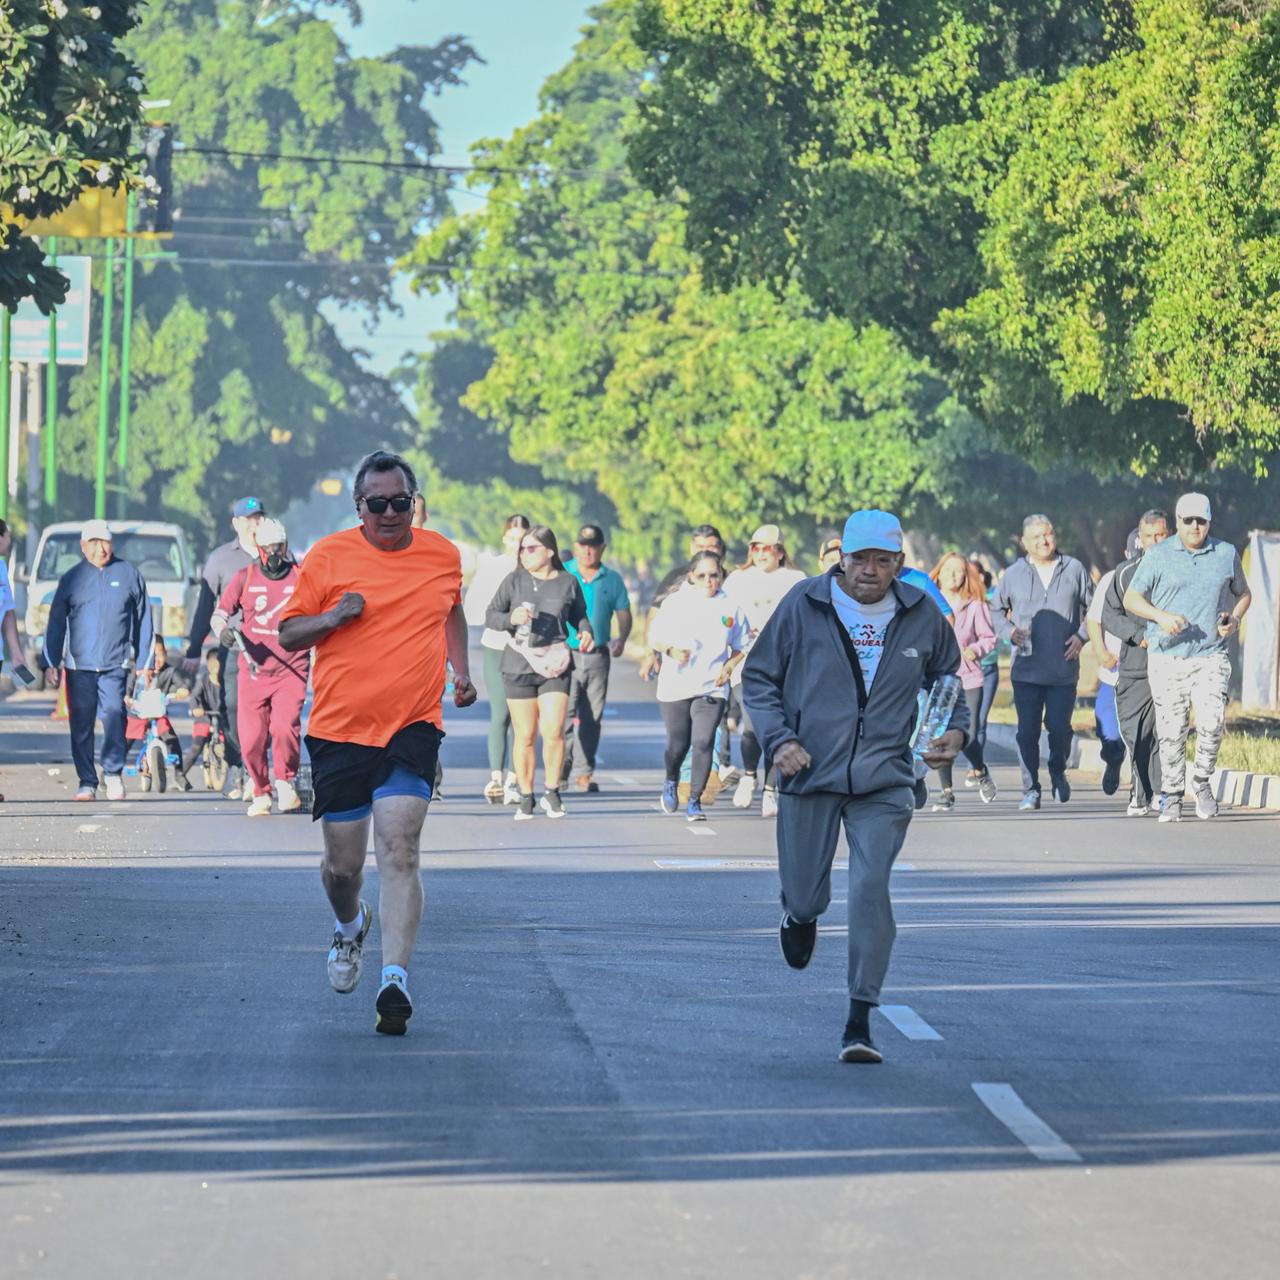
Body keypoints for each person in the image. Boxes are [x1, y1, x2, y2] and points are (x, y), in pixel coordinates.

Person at [743, 509, 968, 1064]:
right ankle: (800, 915)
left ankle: (858, 1018)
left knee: (870, 889)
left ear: (899, 565)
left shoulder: (921, 615)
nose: (869, 571)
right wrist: (779, 741)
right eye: (859, 559)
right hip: (809, 770)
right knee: (804, 892)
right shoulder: (804, 603)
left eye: (882, 561)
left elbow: (948, 679)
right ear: (841, 559)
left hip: (885, 777)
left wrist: (955, 731)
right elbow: (759, 677)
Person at [279, 449, 477, 1036]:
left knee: (400, 846)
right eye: (378, 504)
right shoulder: (329, 555)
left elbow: (452, 611)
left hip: (412, 725)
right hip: (339, 731)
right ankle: (348, 928)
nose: (390, 513)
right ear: (358, 506)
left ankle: (395, 979)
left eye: (401, 502)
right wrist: (335, 616)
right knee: (343, 869)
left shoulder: (441, 554)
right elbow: (289, 632)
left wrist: (459, 671)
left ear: (413, 502)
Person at [1122, 493, 1251, 823]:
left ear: (1209, 522)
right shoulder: (1159, 555)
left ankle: (1202, 781)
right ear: (1177, 522)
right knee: (1172, 731)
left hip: (1211, 655)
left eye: (1201, 520)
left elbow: (1244, 594)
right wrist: (1161, 617)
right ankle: (1173, 794)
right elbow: (1132, 599)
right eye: (1188, 520)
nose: (1195, 526)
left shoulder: (1224, 553)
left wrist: (1234, 620)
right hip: (1167, 657)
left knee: (1211, 724)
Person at [486, 525, 594, 820]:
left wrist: (585, 632)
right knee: (526, 734)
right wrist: (512, 617)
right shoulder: (514, 580)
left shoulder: (567, 582)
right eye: (522, 548)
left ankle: (551, 792)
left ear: (549, 551)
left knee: (553, 730)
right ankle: (525, 795)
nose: (524, 553)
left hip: (555, 663)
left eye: (531, 548)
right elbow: (491, 616)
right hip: (519, 663)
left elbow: (580, 617)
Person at [41, 519, 154, 802]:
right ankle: (87, 781)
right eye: (93, 543)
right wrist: (51, 662)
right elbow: (56, 623)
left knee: (115, 714)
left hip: (116, 664)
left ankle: (113, 773)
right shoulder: (72, 579)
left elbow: (144, 620)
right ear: (83, 546)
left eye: (104, 542)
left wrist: (144, 662)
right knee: (81, 723)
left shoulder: (128, 574)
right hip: (79, 666)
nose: (100, 548)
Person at [212, 518, 311, 817]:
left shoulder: (301, 577)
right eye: (267, 548)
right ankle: (260, 789)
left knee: (284, 728)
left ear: (285, 546)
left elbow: (321, 612)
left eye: (278, 547)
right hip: (254, 670)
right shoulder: (245, 576)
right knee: (252, 738)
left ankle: (285, 781)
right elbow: (220, 615)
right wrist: (224, 632)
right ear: (258, 548)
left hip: (291, 668)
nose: (273, 554)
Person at [994, 514, 1093, 811]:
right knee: (1027, 732)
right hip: (1026, 668)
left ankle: (1058, 770)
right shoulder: (1013, 574)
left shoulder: (1074, 569)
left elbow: (1096, 606)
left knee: (1059, 729)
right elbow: (995, 610)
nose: (1044, 541)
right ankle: (1030, 789)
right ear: (1024, 542)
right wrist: (1009, 632)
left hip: (1063, 668)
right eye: (1036, 537)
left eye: (1048, 534)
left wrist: (1082, 635)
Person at [649, 551, 748, 821]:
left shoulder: (731, 606)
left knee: (703, 741)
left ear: (721, 576)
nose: (709, 581)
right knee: (678, 745)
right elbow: (655, 637)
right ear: (692, 576)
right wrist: (670, 650)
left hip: (712, 686)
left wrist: (729, 667)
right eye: (702, 575)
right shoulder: (675, 603)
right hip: (676, 686)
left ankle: (695, 800)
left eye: (714, 575)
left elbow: (742, 646)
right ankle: (671, 779)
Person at [184, 496, 268, 799]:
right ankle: (239, 765)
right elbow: (206, 605)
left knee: (267, 712)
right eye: (248, 519)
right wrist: (194, 649)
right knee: (231, 707)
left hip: (269, 648)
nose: (254, 524)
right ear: (236, 524)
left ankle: (258, 766)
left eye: (259, 517)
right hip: (232, 647)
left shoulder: (274, 552)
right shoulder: (221, 559)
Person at [725, 524, 807, 817]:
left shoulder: (796, 579)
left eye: (767, 548)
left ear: (780, 552)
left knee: (777, 726)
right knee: (753, 725)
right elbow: (725, 615)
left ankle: (771, 790)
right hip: (745, 665)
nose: (761, 553)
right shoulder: (737, 579)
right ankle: (749, 774)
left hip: (784, 666)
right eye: (755, 548)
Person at [1102, 512, 1172, 816]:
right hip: (1134, 666)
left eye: (1161, 535)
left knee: (1164, 731)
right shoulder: (1124, 573)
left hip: (1172, 664)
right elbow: (1109, 615)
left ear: (1170, 535)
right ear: (1139, 540)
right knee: (1135, 732)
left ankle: (1159, 791)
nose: (1155, 542)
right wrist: (1137, 635)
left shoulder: (1184, 571)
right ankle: (1141, 789)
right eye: (1149, 537)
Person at [562, 523, 633, 794]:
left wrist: (622, 638)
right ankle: (561, 770)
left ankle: (584, 772)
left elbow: (624, 611)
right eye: (583, 545)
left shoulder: (611, 578)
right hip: (565, 654)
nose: (588, 551)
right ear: (577, 547)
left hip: (597, 656)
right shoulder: (564, 573)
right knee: (564, 715)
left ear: (602, 548)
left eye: (594, 546)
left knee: (592, 716)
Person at [464, 514, 530, 804]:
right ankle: (496, 778)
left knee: (522, 718)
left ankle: (516, 780)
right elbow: (473, 609)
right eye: (513, 538)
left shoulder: (536, 568)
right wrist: (502, 619)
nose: (517, 545)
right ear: (505, 538)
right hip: (496, 646)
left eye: (523, 539)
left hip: (528, 652)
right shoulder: (493, 567)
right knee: (500, 713)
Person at [928, 552, 997, 809]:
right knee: (941, 733)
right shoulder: (928, 601)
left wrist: (975, 650)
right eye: (948, 570)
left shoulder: (975, 604)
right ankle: (946, 792)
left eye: (958, 571)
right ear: (939, 573)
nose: (953, 575)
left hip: (969, 677)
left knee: (968, 732)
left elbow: (989, 638)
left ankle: (980, 769)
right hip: (939, 678)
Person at [1085, 553, 1130, 800]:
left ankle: (1144, 791)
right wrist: (1102, 652)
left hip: (1148, 675)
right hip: (1113, 673)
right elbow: (1094, 619)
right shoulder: (1111, 579)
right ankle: (1113, 760)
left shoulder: (1167, 577)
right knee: (1110, 735)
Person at [124, 635, 193, 791]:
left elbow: (182, 685)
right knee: (123, 743)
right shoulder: (138, 670)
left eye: (160, 654)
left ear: (166, 655)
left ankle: (179, 774)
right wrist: (127, 697)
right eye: (153, 655)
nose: (157, 659)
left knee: (171, 739)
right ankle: (110, 772)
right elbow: (128, 687)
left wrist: (182, 690)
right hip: (138, 714)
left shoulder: (169, 671)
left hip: (158, 714)